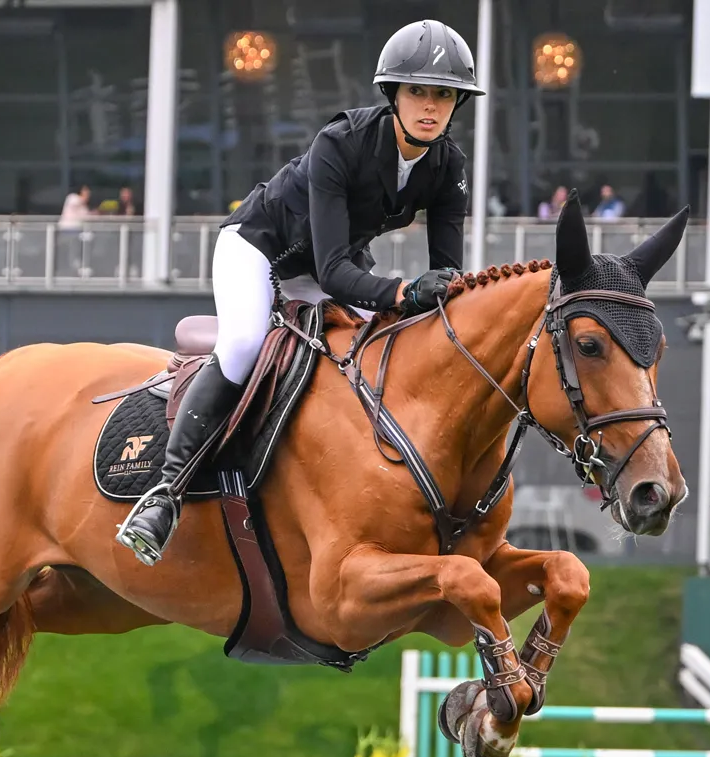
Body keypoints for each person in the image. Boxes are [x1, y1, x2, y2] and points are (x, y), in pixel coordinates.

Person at [115, 19, 483, 566]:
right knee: (242, 345)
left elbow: (448, 276)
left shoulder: (448, 164)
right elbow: (335, 272)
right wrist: (405, 290)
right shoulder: (341, 142)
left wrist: (440, 296)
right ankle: (165, 495)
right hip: (260, 248)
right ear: (393, 94)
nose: (431, 106)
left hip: (327, 262)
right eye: (418, 92)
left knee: (380, 346)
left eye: (444, 95)